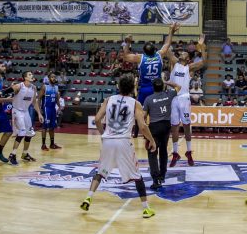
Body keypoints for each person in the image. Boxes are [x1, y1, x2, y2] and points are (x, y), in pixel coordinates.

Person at [80, 74, 157, 218]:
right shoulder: (135, 103)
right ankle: (146, 208)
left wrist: (103, 134)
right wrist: (152, 140)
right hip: (123, 141)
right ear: (132, 88)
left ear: (119, 86)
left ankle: (88, 197)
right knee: (137, 176)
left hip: (108, 140)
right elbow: (142, 126)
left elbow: (97, 119)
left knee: (100, 171)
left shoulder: (108, 99)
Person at [167, 28, 207, 167]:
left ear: (188, 58)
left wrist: (202, 46)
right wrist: (171, 32)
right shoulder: (174, 62)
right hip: (173, 98)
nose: (183, 52)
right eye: (182, 52)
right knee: (174, 127)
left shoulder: (189, 68)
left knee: (186, 126)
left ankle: (189, 152)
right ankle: (175, 153)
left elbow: (204, 62)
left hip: (184, 99)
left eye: (185, 52)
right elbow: (167, 48)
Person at [120, 25, 175, 106]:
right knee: (157, 110)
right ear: (155, 50)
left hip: (144, 88)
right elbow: (167, 44)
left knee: (141, 110)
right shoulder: (159, 55)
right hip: (157, 89)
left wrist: (128, 42)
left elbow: (125, 56)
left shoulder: (140, 58)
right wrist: (171, 31)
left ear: (144, 51)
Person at [143, 78, 179, 189]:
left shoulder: (148, 99)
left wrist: (145, 133)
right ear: (162, 86)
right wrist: (167, 82)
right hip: (166, 126)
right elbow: (178, 87)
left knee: (152, 152)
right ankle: (162, 175)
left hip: (154, 127)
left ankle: (156, 179)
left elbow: (143, 116)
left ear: (153, 87)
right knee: (163, 151)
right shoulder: (169, 94)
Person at [7, 71, 44, 165]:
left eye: (32, 74)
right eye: (30, 75)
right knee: (22, 132)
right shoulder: (19, 86)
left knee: (29, 133)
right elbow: (9, 90)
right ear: (25, 77)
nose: (32, 76)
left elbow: (34, 102)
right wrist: (2, 92)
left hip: (25, 111)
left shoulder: (33, 87)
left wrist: (39, 114)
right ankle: (12, 155)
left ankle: (25, 154)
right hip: (17, 111)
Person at [40, 71, 62, 150]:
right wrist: (39, 110)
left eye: (54, 77)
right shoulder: (45, 87)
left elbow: (57, 99)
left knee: (52, 127)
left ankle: (52, 144)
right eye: (52, 77)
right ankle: (43, 145)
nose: (54, 78)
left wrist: (59, 107)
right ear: (49, 78)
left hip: (53, 109)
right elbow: (39, 98)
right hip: (46, 108)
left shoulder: (56, 87)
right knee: (45, 127)